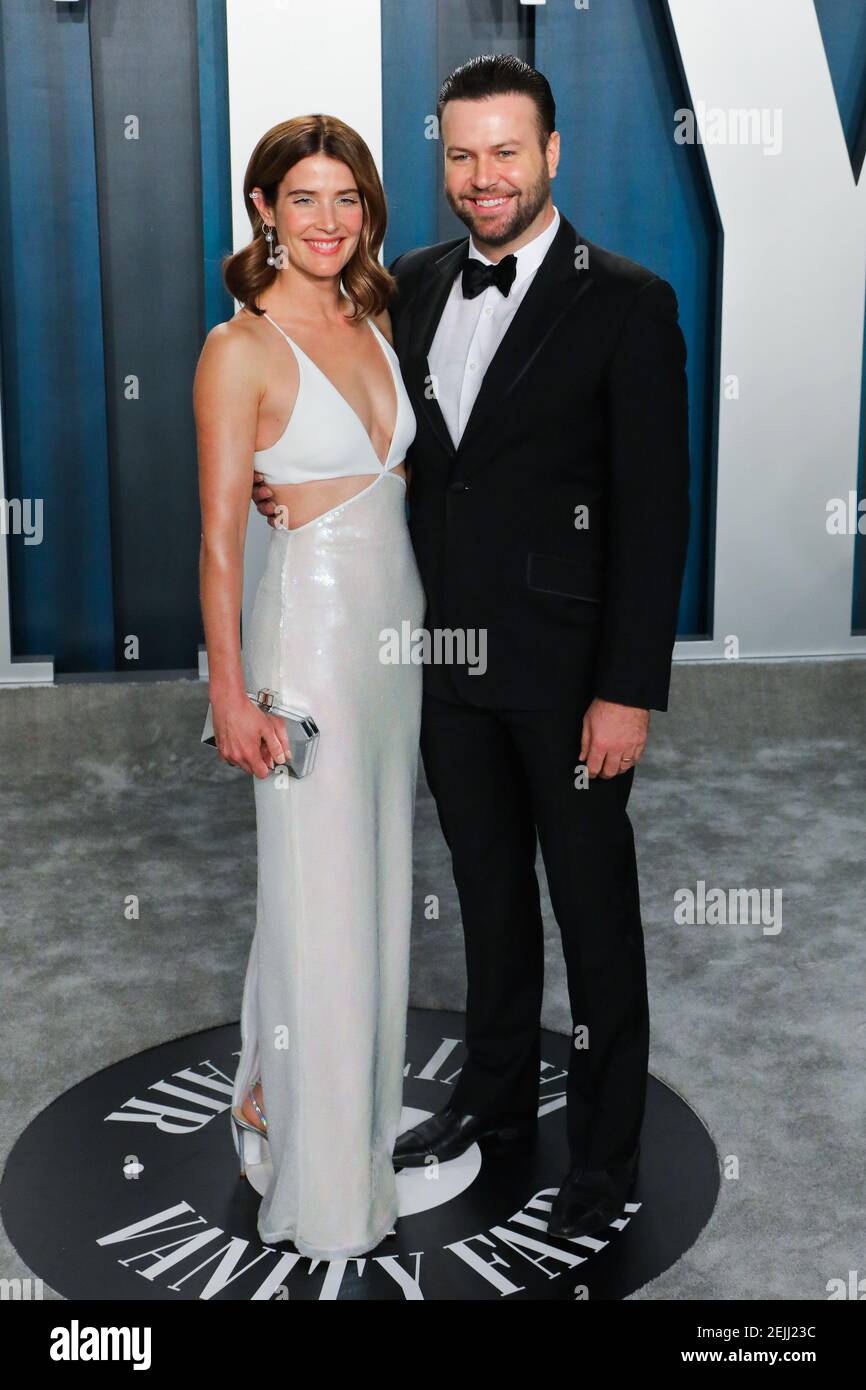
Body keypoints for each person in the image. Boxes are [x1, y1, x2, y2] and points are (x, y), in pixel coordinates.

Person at [254, 55, 691, 1241]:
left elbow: (652, 520)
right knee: (489, 898)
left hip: (568, 680)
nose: (481, 175)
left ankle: (600, 1155)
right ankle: (492, 1103)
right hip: (436, 662)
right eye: (459, 153)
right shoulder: (413, 284)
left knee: (592, 913)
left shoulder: (627, 302)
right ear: (440, 161)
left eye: (505, 151)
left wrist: (624, 692)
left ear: (552, 155)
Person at [195, 114, 425, 1260]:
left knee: (366, 893)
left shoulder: (372, 312)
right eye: (304, 200)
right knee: (317, 904)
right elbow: (220, 544)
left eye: (347, 199)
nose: (328, 221)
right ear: (264, 211)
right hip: (308, 652)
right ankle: (321, 1178)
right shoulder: (237, 348)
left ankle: (302, 1108)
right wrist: (231, 698)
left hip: (398, 646)